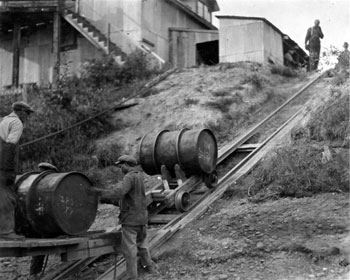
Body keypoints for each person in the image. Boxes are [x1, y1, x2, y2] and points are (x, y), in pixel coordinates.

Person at [91, 155, 157, 280]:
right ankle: (150, 268)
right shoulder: (139, 176)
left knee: (130, 250)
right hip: (142, 218)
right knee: (143, 245)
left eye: (121, 165)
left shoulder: (129, 177)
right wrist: (109, 201)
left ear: (126, 165)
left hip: (131, 220)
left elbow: (118, 192)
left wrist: (99, 192)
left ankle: (133, 277)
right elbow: (130, 199)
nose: (120, 168)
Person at [0, 101, 35, 240]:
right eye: (27, 114)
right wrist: (8, 170)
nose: (27, 117)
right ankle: (7, 232)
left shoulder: (3, 121)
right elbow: (9, 146)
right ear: (20, 112)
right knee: (8, 197)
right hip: (3, 166)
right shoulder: (16, 123)